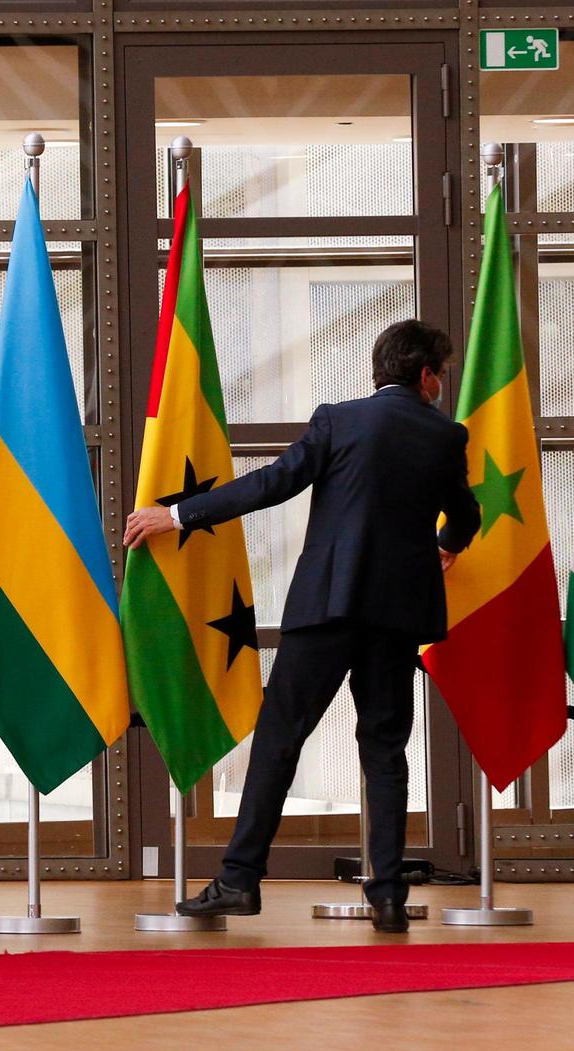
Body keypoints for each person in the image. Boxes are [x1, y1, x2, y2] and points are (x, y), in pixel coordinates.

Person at [123, 319, 480, 933]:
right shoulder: (446, 435)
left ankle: (239, 881)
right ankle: (388, 897)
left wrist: (177, 514)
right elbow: (466, 515)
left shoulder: (338, 420)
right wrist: (445, 545)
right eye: (441, 374)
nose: (441, 384)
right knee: (385, 750)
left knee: (280, 737)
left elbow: (273, 484)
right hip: (398, 615)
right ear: (425, 375)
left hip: (328, 606)